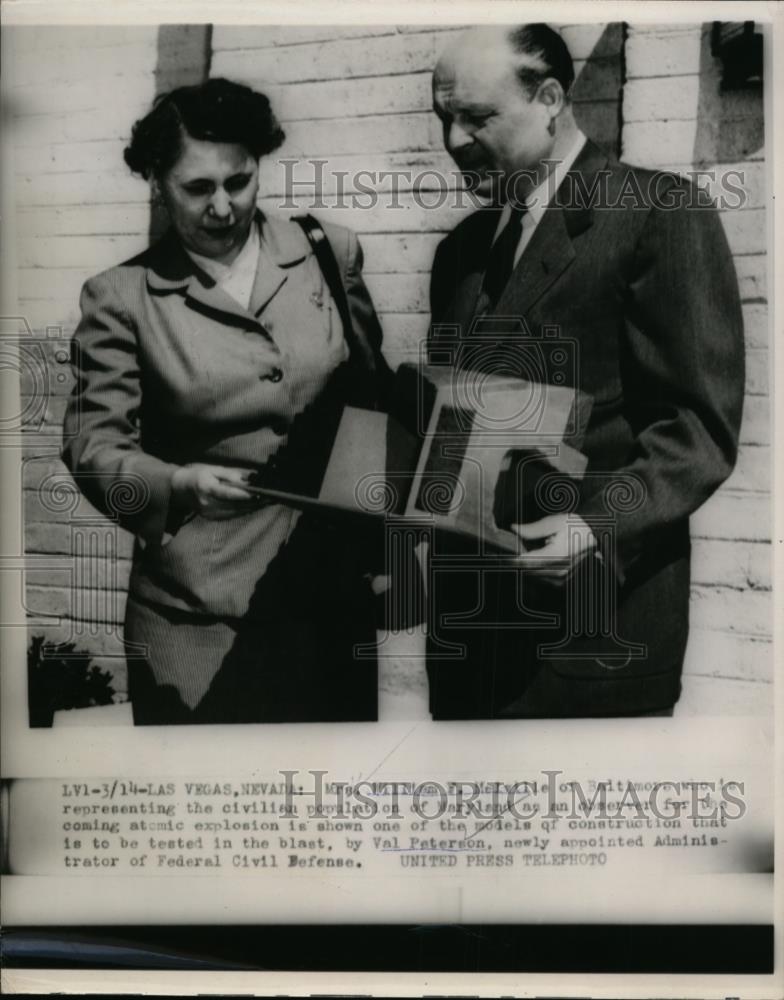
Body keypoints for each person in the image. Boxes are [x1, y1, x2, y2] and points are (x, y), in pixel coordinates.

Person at [425, 25, 745, 718]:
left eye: (477, 117)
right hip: (470, 644)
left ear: (549, 98)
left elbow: (697, 433)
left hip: (594, 632)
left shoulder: (659, 214)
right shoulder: (461, 251)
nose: (453, 141)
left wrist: (596, 527)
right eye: (443, 118)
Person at [62, 78, 393, 725]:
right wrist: (177, 483)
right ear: (156, 181)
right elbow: (92, 445)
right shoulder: (121, 298)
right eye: (197, 188)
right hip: (197, 621)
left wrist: (385, 558)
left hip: (328, 605)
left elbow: (372, 403)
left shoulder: (327, 251)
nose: (222, 206)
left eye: (238, 181)